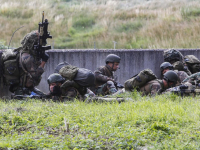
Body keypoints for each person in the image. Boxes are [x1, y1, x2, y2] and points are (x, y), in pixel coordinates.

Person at [2, 30, 49, 98]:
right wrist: (43, 61)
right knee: (41, 99)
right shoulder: (28, 57)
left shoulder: (24, 52)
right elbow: (35, 75)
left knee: (46, 97)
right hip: (22, 90)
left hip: (28, 88)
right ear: (33, 43)